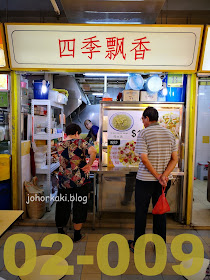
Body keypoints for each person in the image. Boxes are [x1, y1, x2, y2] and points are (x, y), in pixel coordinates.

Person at [128, 107, 178, 252]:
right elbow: (175, 159)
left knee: (141, 213)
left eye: (143, 119)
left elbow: (144, 158)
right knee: (160, 212)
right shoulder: (169, 134)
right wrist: (164, 175)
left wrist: (157, 176)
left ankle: (138, 244)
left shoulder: (144, 133)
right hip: (163, 182)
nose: (143, 122)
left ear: (147, 118)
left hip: (145, 181)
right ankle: (160, 245)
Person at [55, 123, 97, 242]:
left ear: (67, 133)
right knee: (79, 205)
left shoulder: (59, 144)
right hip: (80, 181)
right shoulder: (81, 142)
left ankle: (61, 232)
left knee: (63, 205)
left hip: (64, 181)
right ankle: (77, 234)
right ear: (77, 133)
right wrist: (89, 165)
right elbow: (93, 151)